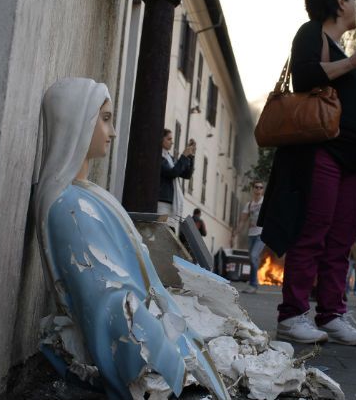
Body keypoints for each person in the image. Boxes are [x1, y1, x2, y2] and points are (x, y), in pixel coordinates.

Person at [34, 78, 229, 399]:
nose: (112, 132)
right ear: (77, 120)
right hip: (145, 356)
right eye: (106, 118)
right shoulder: (71, 207)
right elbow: (109, 305)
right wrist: (166, 363)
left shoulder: (84, 195)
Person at [258, 0, 356, 346]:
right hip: (321, 151)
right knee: (313, 231)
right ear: (340, 1)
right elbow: (306, 77)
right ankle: (293, 315)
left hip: (350, 158)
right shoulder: (312, 33)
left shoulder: (345, 49)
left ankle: (332, 314)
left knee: (341, 238)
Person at [234, 180, 266, 294]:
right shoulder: (249, 204)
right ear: (253, 189)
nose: (258, 189)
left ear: (263, 190)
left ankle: (253, 284)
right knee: (253, 259)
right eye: (256, 187)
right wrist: (235, 233)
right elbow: (243, 221)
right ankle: (253, 284)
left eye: (261, 187)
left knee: (253, 256)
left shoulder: (265, 203)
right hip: (251, 235)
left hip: (261, 234)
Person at [158, 129, 195, 222]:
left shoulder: (170, 158)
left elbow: (186, 175)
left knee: (168, 232)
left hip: (171, 202)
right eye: (169, 139)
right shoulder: (158, 157)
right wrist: (183, 156)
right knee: (161, 230)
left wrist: (190, 156)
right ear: (161, 139)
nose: (172, 142)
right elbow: (173, 173)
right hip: (162, 202)